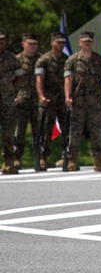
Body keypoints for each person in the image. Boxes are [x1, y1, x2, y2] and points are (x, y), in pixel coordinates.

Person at [63, 31, 101, 172]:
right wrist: (68, 96)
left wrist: (100, 85)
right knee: (75, 131)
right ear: (80, 43)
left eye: (89, 41)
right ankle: (72, 160)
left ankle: (99, 160)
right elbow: (68, 80)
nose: (87, 43)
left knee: (97, 131)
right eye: (85, 41)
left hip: (95, 102)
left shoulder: (99, 60)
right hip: (78, 101)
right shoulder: (72, 60)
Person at [35, 33, 68, 170]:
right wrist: (42, 96)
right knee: (46, 129)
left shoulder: (68, 60)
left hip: (63, 100)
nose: (61, 45)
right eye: (58, 42)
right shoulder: (44, 60)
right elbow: (39, 79)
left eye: (63, 42)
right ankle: (43, 158)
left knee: (67, 129)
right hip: (49, 100)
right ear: (52, 42)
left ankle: (67, 156)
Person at [13, 33, 40, 170]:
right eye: (30, 44)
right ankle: (16, 157)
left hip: (37, 101)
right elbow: (10, 81)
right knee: (19, 131)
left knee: (39, 130)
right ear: (23, 44)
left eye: (35, 44)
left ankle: (40, 157)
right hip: (21, 101)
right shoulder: (16, 60)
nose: (33, 46)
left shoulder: (41, 60)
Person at [0, 31, 20, 174]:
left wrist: (10, 88)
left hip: (7, 101)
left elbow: (20, 77)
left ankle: (8, 163)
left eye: (2, 40)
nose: (1, 42)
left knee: (8, 133)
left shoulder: (12, 58)